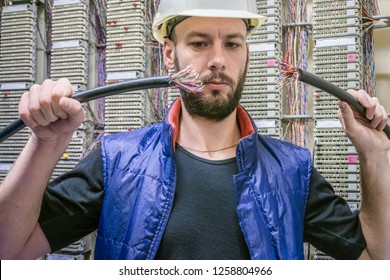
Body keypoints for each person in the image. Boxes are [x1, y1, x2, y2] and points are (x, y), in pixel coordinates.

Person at [0, 0, 389, 260]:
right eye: (200, 43)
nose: (218, 60)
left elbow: (377, 259)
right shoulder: (117, 160)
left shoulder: (292, 171)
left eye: (233, 44)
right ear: (170, 54)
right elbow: (10, 251)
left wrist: (374, 156)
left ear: (247, 54)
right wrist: (45, 143)